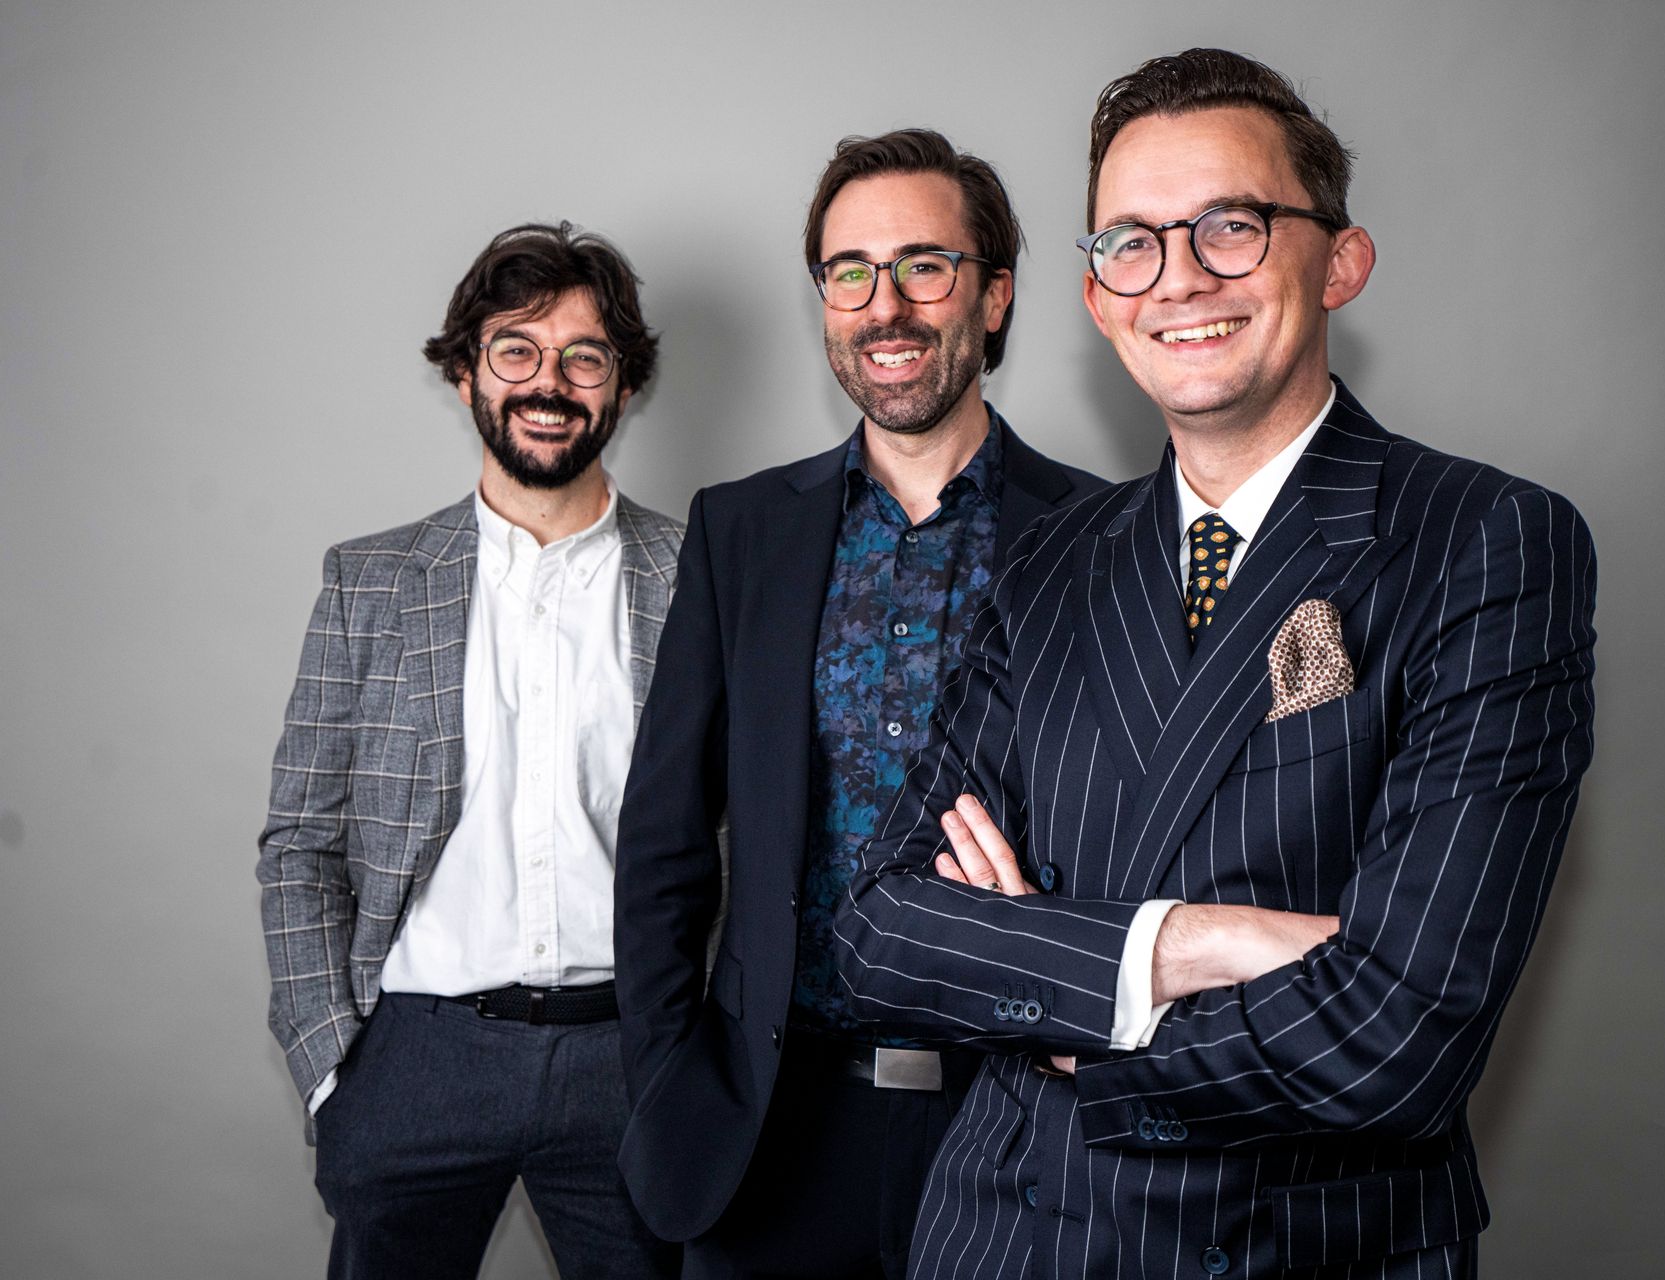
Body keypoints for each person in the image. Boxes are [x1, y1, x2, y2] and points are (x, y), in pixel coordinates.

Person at [832, 49, 1598, 1278]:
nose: (1178, 277)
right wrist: (1184, 943)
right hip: (1007, 1235)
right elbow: (879, 930)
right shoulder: (1048, 563)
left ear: (1340, 258)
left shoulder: (1486, 541)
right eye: (1131, 242)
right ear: (1095, 297)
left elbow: (1402, 1029)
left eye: (1230, 226)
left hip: (1299, 1246)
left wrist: (1062, 999)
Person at [612, 129, 1106, 1280]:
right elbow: (664, 844)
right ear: (826, 301)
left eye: (925, 265)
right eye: (851, 272)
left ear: (994, 297)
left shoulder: (1104, 537)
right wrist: (670, 1078)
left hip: (1024, 1128)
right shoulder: (741, 536)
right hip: (768, 1137)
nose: (885, 304)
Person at [258, 222, 681, 1279]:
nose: (551, 382)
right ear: (465, 375)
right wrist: (332, 1069)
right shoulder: (370, 584)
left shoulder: (700, 577)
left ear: (624, 387)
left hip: (629, 1055)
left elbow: (744, 832)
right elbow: (300, 842)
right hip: (417, 1057)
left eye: (585, 356)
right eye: (516, 351)